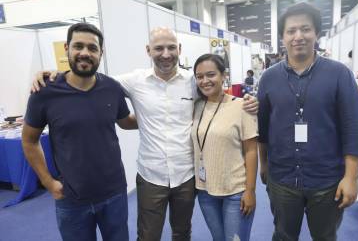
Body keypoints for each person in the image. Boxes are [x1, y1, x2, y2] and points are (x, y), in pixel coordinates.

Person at [31, 27, 258, 241]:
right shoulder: (132, 81)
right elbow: (91, 79)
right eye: (158, 48)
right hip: (151, 175)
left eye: (171, 48)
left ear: (179, 49)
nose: (165, 54)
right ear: (148, 51)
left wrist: (246, 100)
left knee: (182, 233)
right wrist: (58, 74)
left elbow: (216, 94)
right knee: (148, 235)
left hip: (186, 175)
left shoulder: (193, 80)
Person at [258, 3, 358, 241]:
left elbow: (353, 130)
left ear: (316, 33)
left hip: (327, 181)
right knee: (284, 235)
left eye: (305, 29)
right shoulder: (268, 78)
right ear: (282, 37)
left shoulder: (340, 74)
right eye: (291, 31)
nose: (298, 36)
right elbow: (263, 128)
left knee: (325, 237)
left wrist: (351, 178)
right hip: (283, 178)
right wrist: (264, 165)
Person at [22, 23, 137, 241]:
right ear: (67, 48)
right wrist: (48, 182)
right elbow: (29, 141)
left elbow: (126, 122)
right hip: (71, 199)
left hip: (114, 194)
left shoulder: (111, 88)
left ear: (100, 54)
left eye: (92, 48)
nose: (85, 53)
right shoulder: (45, 91)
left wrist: (161, 116)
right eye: (78, 46)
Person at [192, 54, 258, 241]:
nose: (205, 81)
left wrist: (250, 191)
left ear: (223, 76)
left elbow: (251, 151)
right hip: (205, 191)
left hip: (235, 192)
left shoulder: (242, 106)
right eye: (199, 76)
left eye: (211, 75)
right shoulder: (196, 106)